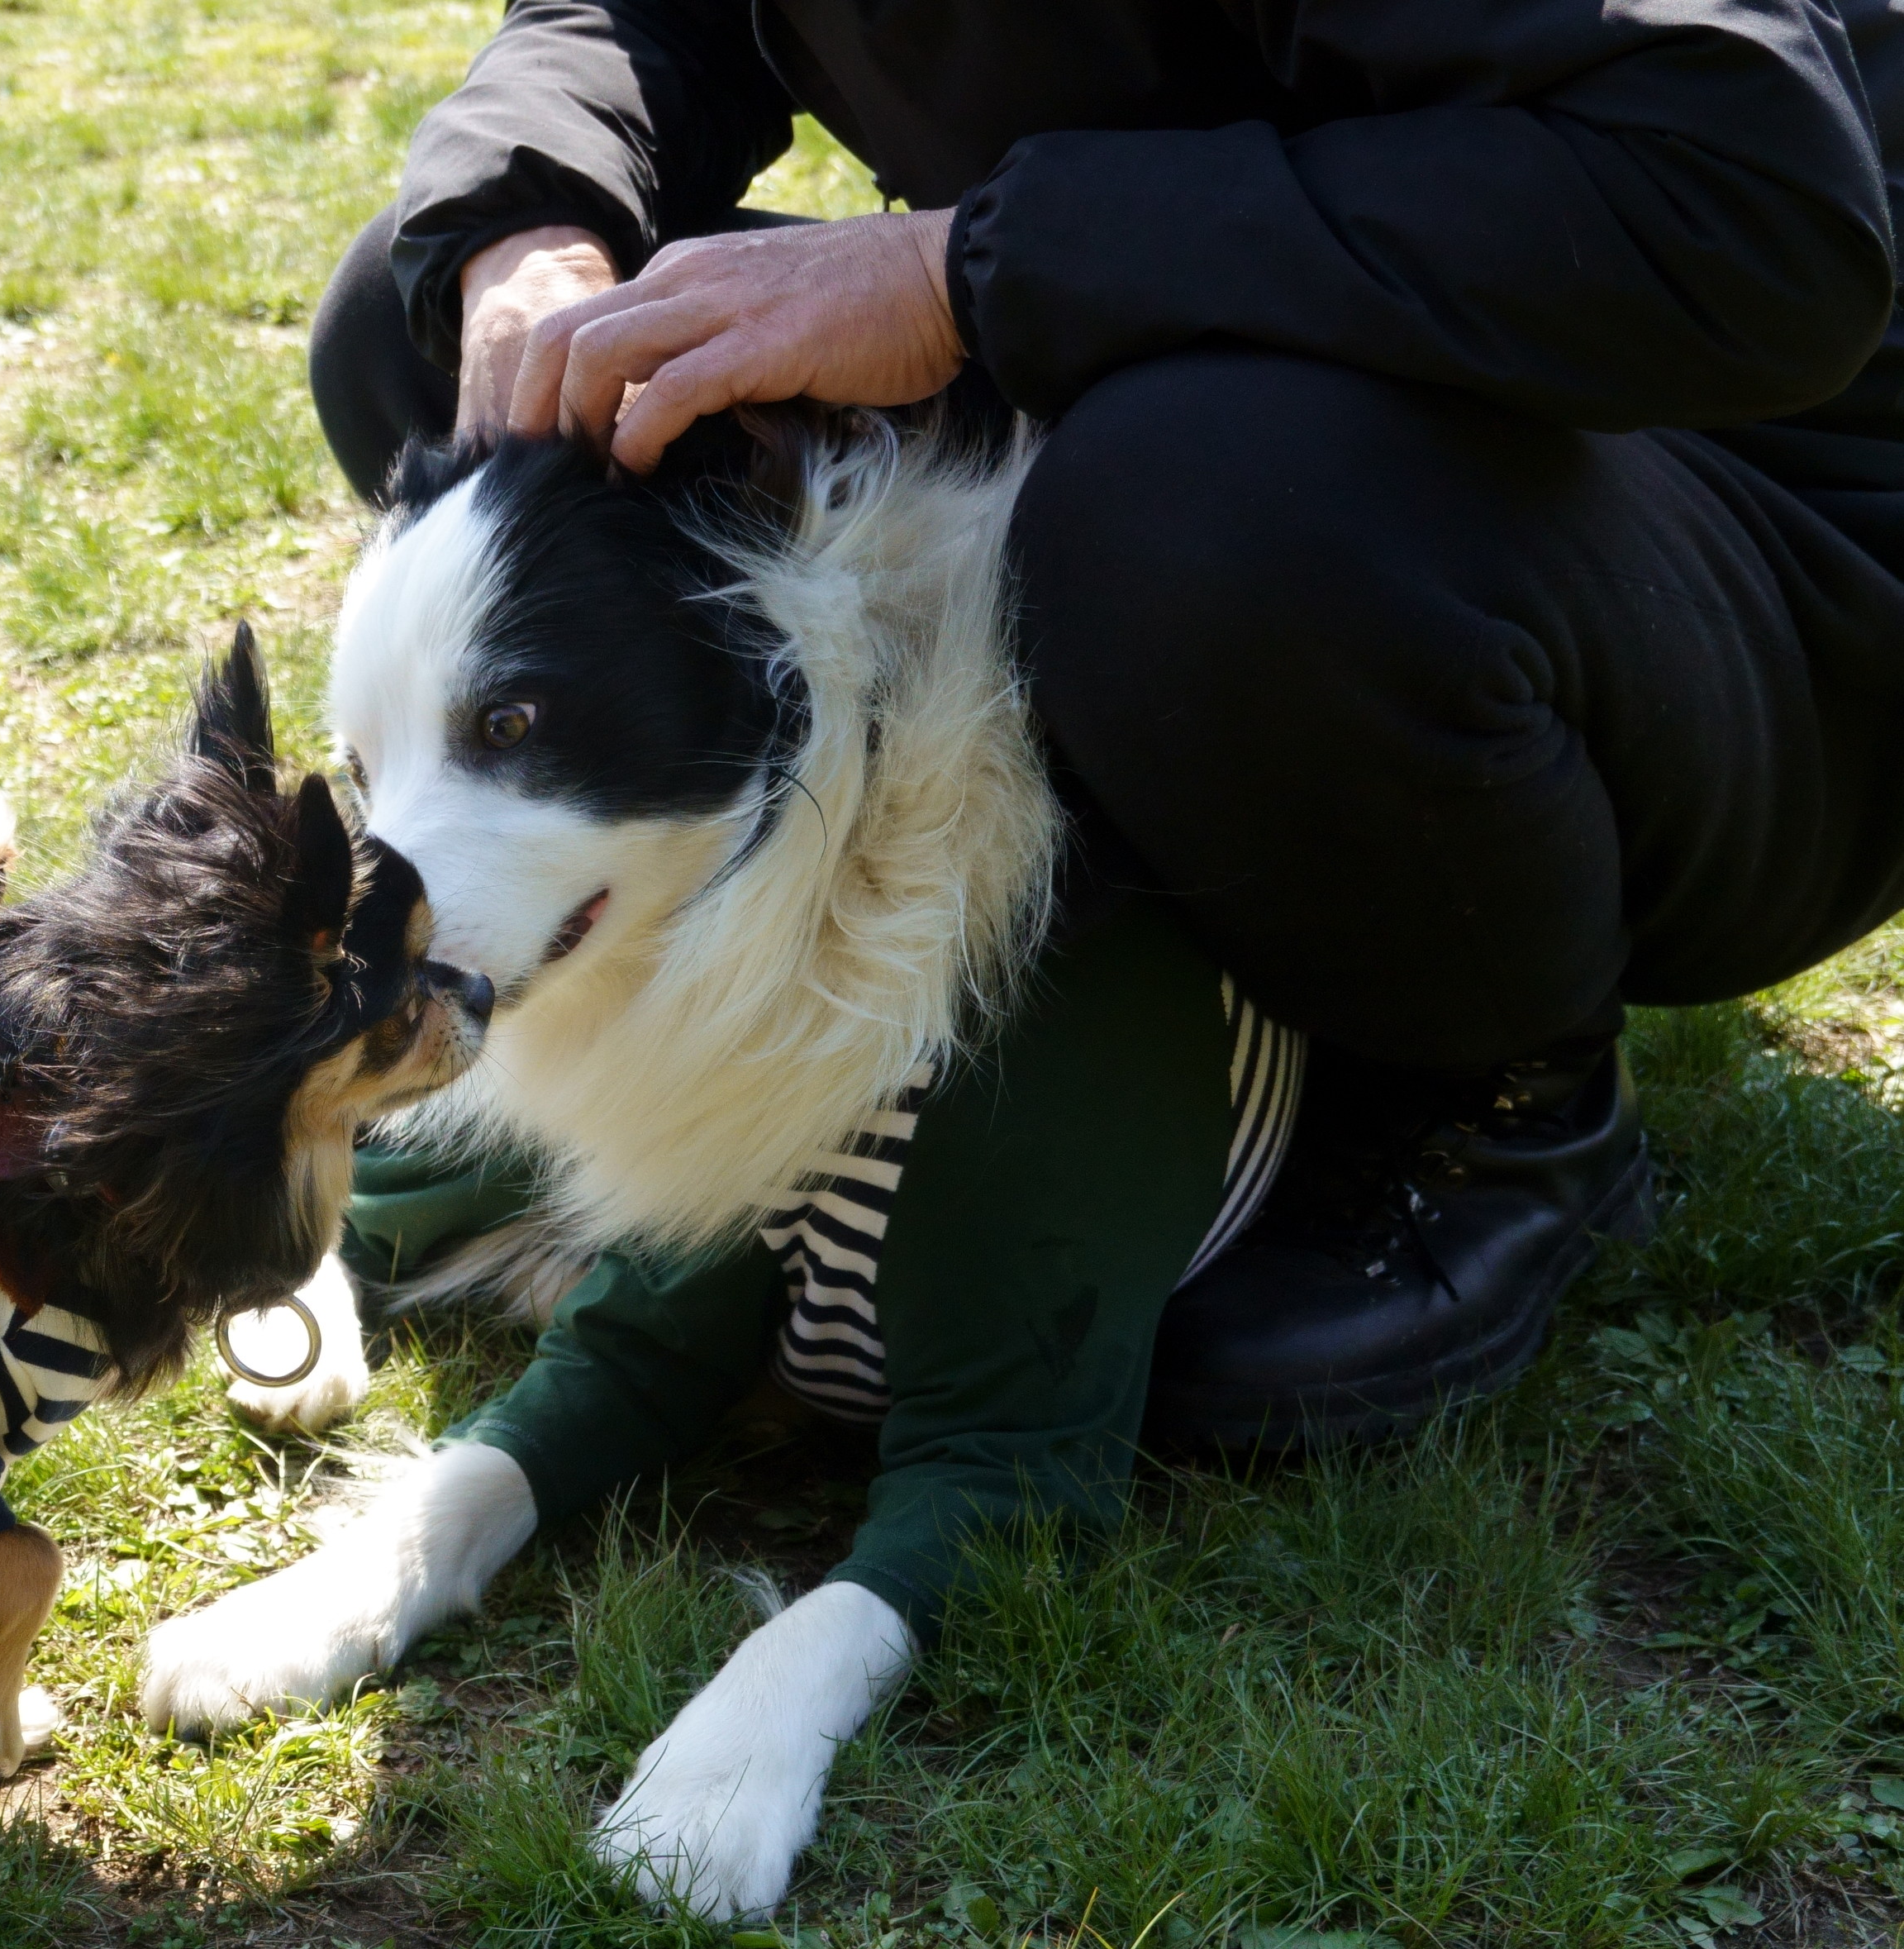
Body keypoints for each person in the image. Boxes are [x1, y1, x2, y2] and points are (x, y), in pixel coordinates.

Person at [310, 0, 1904, 1445]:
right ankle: (923, 967)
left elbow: (1755, 200)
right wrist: (528, 230)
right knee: (432, 321)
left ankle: (1493, 1094)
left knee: (1186, 502)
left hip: (1765, 533)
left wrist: (963, 273)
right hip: (1210, 350)